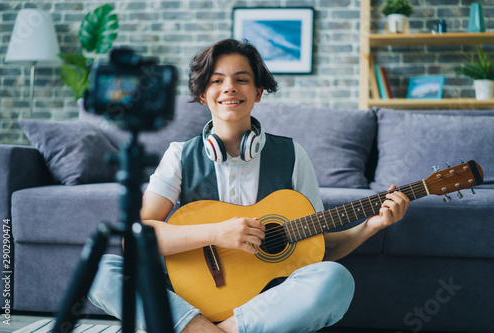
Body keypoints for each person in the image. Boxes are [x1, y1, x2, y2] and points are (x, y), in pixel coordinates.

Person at [88, 39, 410, 333]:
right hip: (189, 300)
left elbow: (320, 247)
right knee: (104, 270)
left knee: (335, 280)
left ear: (257, 92)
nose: (230, 87)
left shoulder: (292, 155)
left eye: (241, 79)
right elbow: (136, 237)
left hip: (265, 305)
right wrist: (215, 233)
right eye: (217, 80)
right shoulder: (180, 155)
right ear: (203, 95)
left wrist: (372, 225)